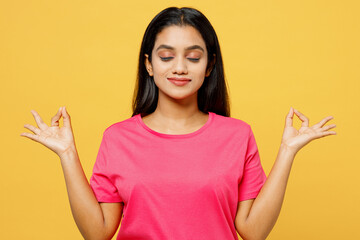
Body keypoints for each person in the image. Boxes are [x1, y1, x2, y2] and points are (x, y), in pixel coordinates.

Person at [20, 6, 337, 240]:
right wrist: (67, 153)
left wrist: (287, 150)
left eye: (194, 57)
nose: (180, 68)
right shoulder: (118, 138)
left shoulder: (237, 135)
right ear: (149, 64)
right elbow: (98, 232)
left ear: (210, 65)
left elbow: (253, 232)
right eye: (166, 56)